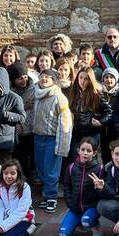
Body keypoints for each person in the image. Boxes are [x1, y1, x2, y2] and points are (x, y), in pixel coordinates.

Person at [33, 68, 73, 214]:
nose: (44, 79)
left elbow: (65, 122)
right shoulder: (36, 94)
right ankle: (46, 194)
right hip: (38, 136)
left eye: (48, 77)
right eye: (42, 76)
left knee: (51, 169)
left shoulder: (59, 97)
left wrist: (62, 143)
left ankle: (51, 197)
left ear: (53, 80)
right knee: (41, 167)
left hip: (52, 139)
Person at [59, 137, 106, 236]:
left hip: (92, 206)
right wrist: (70, 203)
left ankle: (94, 225)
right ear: (78, 150)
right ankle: (80, 222)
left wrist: (100, 189)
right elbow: (66, 187)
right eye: (83, 150)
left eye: (89, 151)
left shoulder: (100, 168)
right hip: (75, 207)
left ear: (94, 153)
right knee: (63, 235)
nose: (85, 153)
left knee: (86, 220)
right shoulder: (71, 167)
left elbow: (104, 192)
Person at [68, 67, 112, 158]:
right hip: (76, 132)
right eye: (80, 78)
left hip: (91, 133)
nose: (82, 81)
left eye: (86, 79)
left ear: (90, 80)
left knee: (90, 159)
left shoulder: (96, 94)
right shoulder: (73, 92)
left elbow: (109, 112)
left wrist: (101, 122)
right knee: (75, 158)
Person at [0, 159, 37, 236]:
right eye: (6, 173)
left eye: (12, 173)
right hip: (8, 218)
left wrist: (3, 227)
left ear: (18, 174)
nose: (8, 176)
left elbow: (21, 211)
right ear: (2, 174)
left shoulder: (24, 187)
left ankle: (30, 229)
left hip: (23, 218)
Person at [8, 62, 36, 179]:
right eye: (19, 78)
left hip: (31, 126)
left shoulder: (34, 89)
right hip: (17, 129)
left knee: (32, 154)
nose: (23, 80)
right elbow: (8, 110)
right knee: (20, 155)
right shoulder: (9, 91)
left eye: (25, 77)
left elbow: (33, 107)